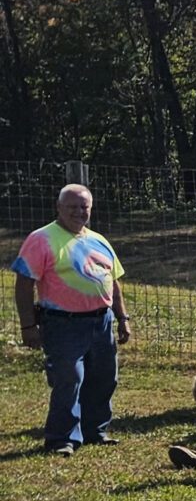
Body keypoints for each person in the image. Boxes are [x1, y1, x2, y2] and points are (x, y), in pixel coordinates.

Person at [13, 183, 130, 456]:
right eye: (72, 207)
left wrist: (122, 317)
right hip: (62, 324)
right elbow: (23, 283)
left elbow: (113, 282)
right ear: (59, 207)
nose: (79, 212)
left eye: (84, 207)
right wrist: (28, 325)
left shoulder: (98, 239)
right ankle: (61, 439)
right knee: (69, 379)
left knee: (104, 378)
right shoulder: (41, 239)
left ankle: (95, 431)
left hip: (101, 323)